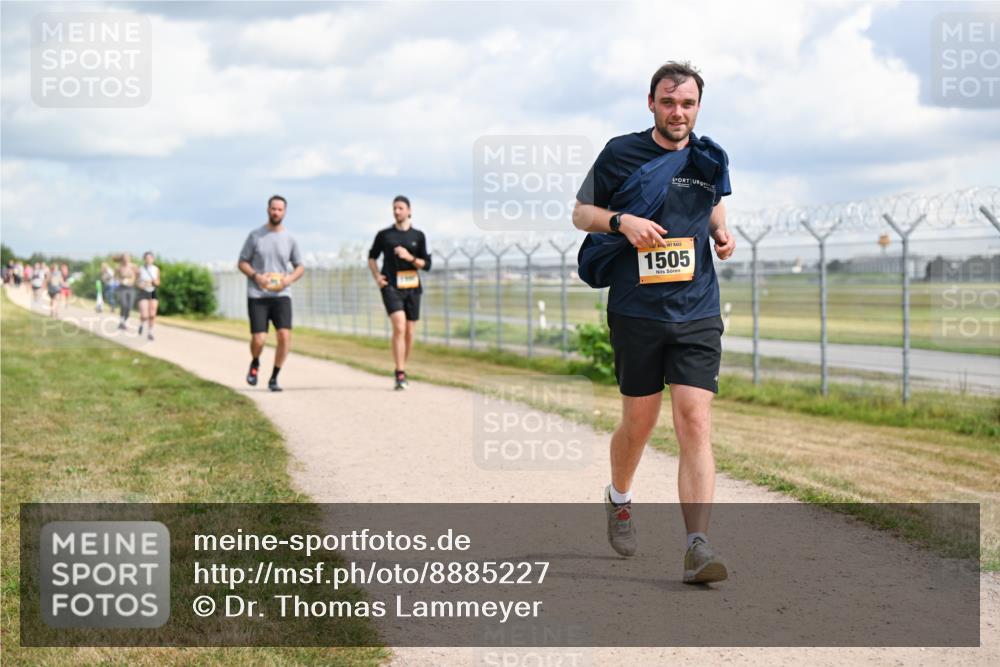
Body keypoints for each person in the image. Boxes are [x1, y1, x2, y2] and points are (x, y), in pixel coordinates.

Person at [572, 61, 736, 584]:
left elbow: (714, 207)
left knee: (694, 421)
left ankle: (697, 546)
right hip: (636, 310)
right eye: (668, 102)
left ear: (698, 107)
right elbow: (581, 213)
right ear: (651, 104)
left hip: (697, 310)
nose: (677, 112)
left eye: (687, 103)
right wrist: (623, 222)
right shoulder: (620, 153)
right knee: (639, 424)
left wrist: (723, 234)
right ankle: (619, 497)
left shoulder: (709, 157)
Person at [238, 195, 304, 392]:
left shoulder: (290, 239)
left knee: (284, 336)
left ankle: (274, 377)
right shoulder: (255, 236)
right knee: (259, 339)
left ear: (284, 212)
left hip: (281, 295)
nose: (276, 212)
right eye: (273, 209)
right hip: (258, 295)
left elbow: (300, 267)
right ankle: (255, 361)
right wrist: (256, 276)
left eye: (280, 209)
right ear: (268, 210)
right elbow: (242, 262)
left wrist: (288, 280)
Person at [368, 195, 432, 390]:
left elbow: (426, 265)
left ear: (409, 211)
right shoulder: (384, 235)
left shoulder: (418, 236)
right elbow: (372, 257)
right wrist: (377, 276)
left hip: (412, 287)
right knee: (399, 326)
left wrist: (409, 257)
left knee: (410, 331)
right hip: (391, 287)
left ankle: (402, 366)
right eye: (394, 208)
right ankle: (400, 373)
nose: (396, 211)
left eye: (400, 208)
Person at [137, 251, 161, 340]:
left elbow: (158, 282)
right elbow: (137, 281)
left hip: (152, 291)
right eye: (147, 258)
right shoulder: (140, 269)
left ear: (153, 259)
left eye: (150, 258)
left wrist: (154, 282)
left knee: (152, 314)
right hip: (143, 292)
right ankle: (141, 324)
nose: (149, 260)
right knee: (144, 315)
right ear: (144, 259)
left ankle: (150, 332)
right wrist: (140, 285)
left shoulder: (156, 269)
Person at [117, 253, 139, 331]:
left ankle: (124, 322)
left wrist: (134, 281)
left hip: (131, 288)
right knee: (124, 304)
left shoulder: (134, 266)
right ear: (122, 259)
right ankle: (121, 321)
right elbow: (116, 276)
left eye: (127, 257)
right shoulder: (119, 267)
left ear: (130, 258)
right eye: (124, 257)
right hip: (122, 288)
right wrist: (120, 281)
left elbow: (138, 275)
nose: (126, 259)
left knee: (129, 306)